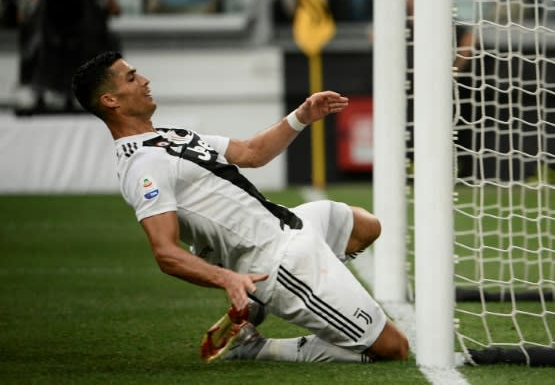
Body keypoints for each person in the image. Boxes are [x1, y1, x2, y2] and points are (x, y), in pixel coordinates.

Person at [70, 51, 410, 363]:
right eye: (131, 78)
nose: (144, 81)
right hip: (277, 259)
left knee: (365, 226)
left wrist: (301, 116)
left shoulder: (171, 135)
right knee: (393, 349)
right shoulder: (141, 166)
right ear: (110, 100)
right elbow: (165, 253)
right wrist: (227, 279)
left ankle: (268, 301)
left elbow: (251, 153)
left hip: (287, 225)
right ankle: (260, 346)